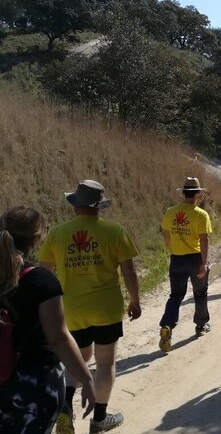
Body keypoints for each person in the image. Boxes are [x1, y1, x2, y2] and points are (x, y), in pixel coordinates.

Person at [38, 180, 141, 433]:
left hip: (71, 308)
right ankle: (99, 419)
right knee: (105, 363)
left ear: (75, 206)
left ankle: (65, 410)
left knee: (76, 361)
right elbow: (128, 270)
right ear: (99, 207)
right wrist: (135, 300)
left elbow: (44, 273)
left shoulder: (58, 233)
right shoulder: (114, 231)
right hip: (106, 308)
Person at [0, 207, 95, 434]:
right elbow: (59, 339)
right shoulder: (42, 281)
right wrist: (86, 379)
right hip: (34, 383)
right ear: (38, 238)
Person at [158, 177, 212, 353]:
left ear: (183, 193)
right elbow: (204, 239)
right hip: (195, 259)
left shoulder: (171, 212)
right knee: (200, 293)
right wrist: (204, 263)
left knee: (176, 295)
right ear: (198, 194)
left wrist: (171, 247)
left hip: (177, 258)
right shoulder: (201, 214)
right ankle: (200, 326)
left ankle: (167, 325)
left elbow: (166, 233)